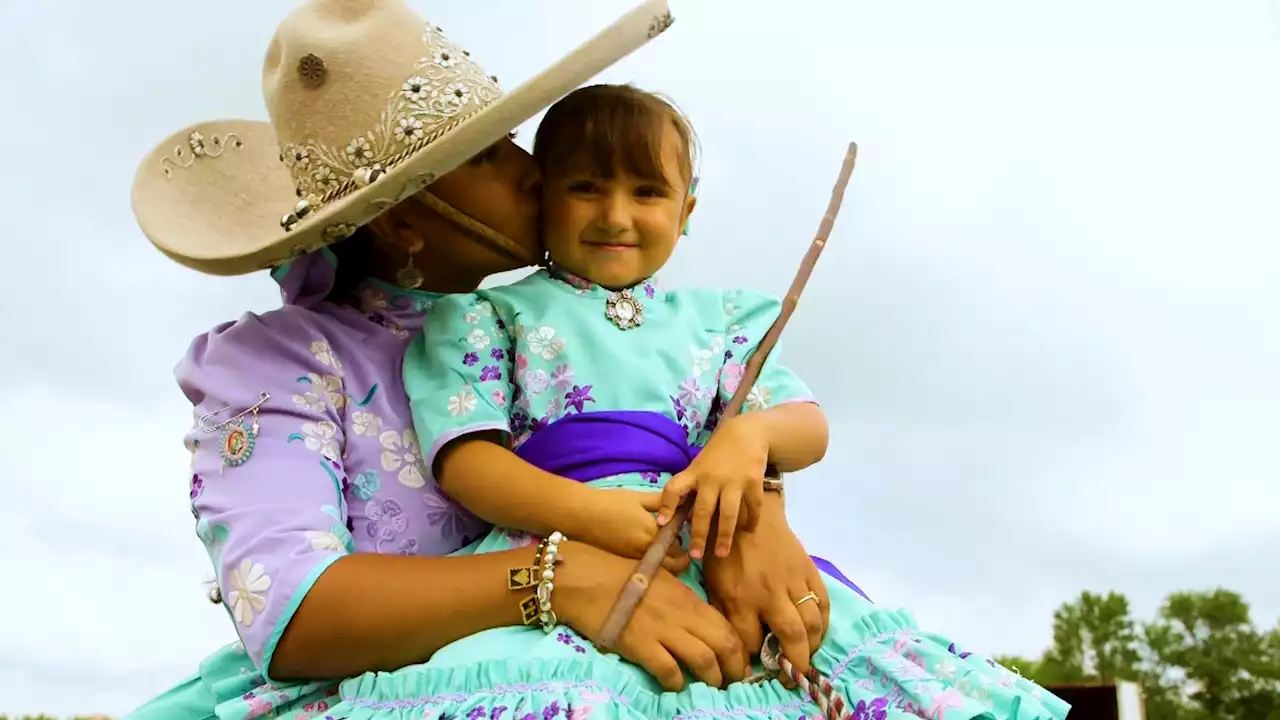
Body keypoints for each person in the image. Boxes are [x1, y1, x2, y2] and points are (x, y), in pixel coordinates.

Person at [125, 2, 834, 718]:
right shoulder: (275, 363)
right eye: (489, 154)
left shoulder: (545, 322)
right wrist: (556, 581)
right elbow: (291, 612)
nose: (533, 172)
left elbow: (698, 429)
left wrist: (756, 521)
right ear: (407, 215)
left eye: (511, 138)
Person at [328, 84, 1074, 719]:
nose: (616, 216)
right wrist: (592, 516)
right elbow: (467, 462)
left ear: (686, 210)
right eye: (586, 187)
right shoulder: (484, 315)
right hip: (564, 544)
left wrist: (746, 443)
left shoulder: (724, 318)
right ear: (541, 198)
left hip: (714, 538)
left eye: (646, 192)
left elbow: (807, 427)